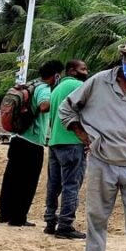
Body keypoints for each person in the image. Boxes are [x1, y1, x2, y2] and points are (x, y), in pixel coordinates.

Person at [60, 36, 126, 251]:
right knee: (96, 219)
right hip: (101, 162)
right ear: (123, 58)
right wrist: (80, 133)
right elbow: (68, 109)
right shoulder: (99, 82)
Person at [0, 60, 63, 227]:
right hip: (32, 142)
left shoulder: (31, 84)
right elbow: (43, 106)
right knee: (27, 182)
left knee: (11, 178)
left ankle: (4, 214)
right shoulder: (44, 89)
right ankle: (18, 218)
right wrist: (57, 99)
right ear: (55, 75)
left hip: (17, 138)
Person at [44, 59, 91, 239]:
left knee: (54, 184)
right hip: (72, 141)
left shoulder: (56, 89)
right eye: (83, 68)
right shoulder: (78, 85)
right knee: (71, 184)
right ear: (71, 70)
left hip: (55, 142)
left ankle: (50, 221)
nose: (86, 72)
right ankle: (65, 225)